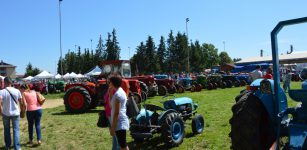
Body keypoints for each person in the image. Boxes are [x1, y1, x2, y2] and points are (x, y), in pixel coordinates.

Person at [0, 77, 25, 150]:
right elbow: (21, 102)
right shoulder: (17, 91)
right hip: (15, 113)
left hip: (6, 113)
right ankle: (17, 147)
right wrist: (22, 111)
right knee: (16, 130)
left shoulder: (2, 92)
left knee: (6, 130)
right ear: (11, 82)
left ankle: (8, 146)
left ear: (5, 82)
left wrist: (1, 112)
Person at [109, 74, 129, 150]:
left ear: (112, 82)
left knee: (123, 145)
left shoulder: (118, 94)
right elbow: (111, 106)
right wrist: (110, 93)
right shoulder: (118, 92)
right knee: (122, 145)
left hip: (120, 123)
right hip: (119, 122)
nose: (109, 83)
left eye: (109, 82)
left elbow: (116, 113)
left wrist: (112, 128)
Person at [104, 80, 119, 150]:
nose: (108, 83)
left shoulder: (115, 91)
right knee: (114, 135)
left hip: (112, 114)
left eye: (110, 82)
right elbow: (105, 100)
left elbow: (112, 104)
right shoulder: (109, 89)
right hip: (108, 114)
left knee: (116, 135)